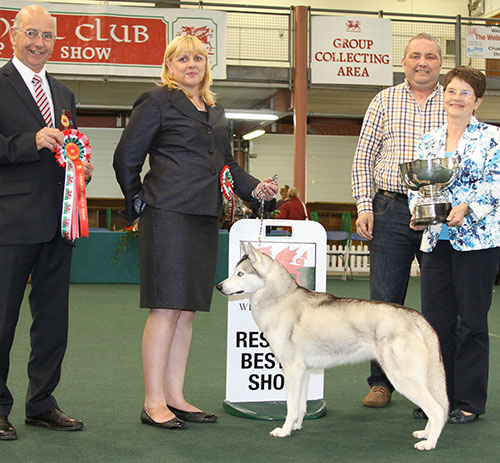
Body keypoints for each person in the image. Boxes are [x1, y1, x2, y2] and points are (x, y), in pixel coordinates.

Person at [113, 35, 277, 430]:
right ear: (169, 65)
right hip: (167, 214)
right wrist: (140, 201)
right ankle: (153, 402)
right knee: (166, 307)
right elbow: (126, 158)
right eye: (182, 58)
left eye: (198, 58)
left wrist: (256, 189)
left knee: (186, 311)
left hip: (204, 216)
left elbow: (225, 166)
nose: (192, 64)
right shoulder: (155, 101)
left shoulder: (216, 109)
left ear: (207, 64)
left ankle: (175, 396)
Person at [0, 5, 93, 441]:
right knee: (2, 319)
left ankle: (41, 403)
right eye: (31, 33)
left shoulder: (64, 93)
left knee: (53, 321)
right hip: (11, 222)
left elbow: (70, 149)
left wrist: (82, 170)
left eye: (48, 36)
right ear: (12, 35)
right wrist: (29, 141)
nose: (39, 42)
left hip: (60, 223)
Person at [351, 33, 446, 410]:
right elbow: (363, 158)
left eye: (430, 57)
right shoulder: (384, 100)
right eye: (415, 56)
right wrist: (364, 205)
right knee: (384, 305)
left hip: (440, 212)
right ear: (403, 62)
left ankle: (431, 386)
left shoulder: (454, 101)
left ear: (441, 63)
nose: (422, 62)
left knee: (439, 303)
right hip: (390, 209)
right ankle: (381, 383)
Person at [409, 66, 500, 424]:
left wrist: (469, 208)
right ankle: (436, 398)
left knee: (472, 322)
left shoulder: (492, 138)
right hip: (435, 242)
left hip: (477, 242)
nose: (456, 98)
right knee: (435, 324)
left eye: (465, 93)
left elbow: (496, 185)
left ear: (477, 101)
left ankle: (468, 401)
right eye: (451, 91)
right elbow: (419, 188)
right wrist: (417, 213)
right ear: (442, 96)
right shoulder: (428, 140)